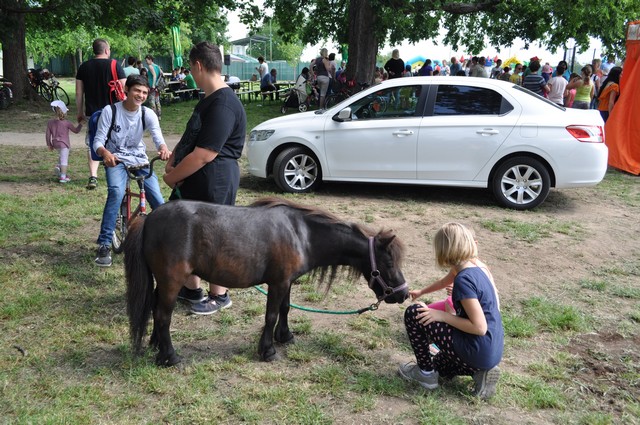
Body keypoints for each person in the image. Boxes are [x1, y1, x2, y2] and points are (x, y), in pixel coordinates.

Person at [163, 41, 247, 315]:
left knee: (213, 238)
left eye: (190, 68)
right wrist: (174, 157)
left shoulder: (224, 104)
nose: (190, 73)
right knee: (188, 234)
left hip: (215, 180)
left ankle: (219, 295)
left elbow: (204, 154)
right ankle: (192, 289)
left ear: (198, 65)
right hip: (197, 178)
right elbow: (193, 135)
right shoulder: (208, 100)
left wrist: (173, 177)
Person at [399, 222, 504, 399]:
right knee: (439, 365)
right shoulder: (477, 269)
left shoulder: (464, 280)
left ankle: (425, 374)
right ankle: (479, 372)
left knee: (415, 313)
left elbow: (479, 327)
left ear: (443, 250)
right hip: (490, 352)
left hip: (476, 347)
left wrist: (442, 316)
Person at [93, 75, 171, 267]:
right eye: (137, 90)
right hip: (116, 159)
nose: (141, 95)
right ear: (126, 90)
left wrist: (163, 148)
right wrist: (105, 153)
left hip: (140, 160)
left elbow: (157, 137)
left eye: (144, 92)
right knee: (116, 192)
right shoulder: (110, 111)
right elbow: (98, 141)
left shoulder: (147, 113)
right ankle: (104, 244)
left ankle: (167, 243)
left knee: (158, 201)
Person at [76, 38, 126, 190]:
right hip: (114, 111)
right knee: (115, 140)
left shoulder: (84, 67)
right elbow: (125, 88)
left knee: (93, 141)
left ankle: (93, 176)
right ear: (106, 50)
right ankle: (115, 171)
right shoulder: (115, 65)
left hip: (93, 113)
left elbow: (79, 92)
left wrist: (79, 111)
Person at [46, 100, 83, 183]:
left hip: (55, 143)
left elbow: (48, 134)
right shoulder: (67, 123)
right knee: (64, 160)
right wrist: (81, 124)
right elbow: (76, 131)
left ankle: (59, 167)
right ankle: (63, 176)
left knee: (61, 156)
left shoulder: (50, 123)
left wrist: (49, 144)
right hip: (64, 144)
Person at [144, 55, 162, 120]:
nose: (146, 62)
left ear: (150, 60)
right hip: (157, 86)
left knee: (152, 101)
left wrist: (153, 85)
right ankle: (159, 115)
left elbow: (154, 75)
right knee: (157, 101)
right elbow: (161, 73)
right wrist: (157, 83)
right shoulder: (157, 66)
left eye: (147, 60)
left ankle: (154, 116)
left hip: (152, 86)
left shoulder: (150, 66)